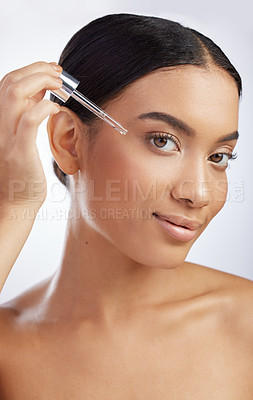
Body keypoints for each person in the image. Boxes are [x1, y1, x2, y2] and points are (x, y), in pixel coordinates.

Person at [0, 13, 252, 398]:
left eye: (219, 157)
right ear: (69, 141)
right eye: (163, 141)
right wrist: (15, 204)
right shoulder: (9, 348)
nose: (199, 193)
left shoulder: (246, 324)